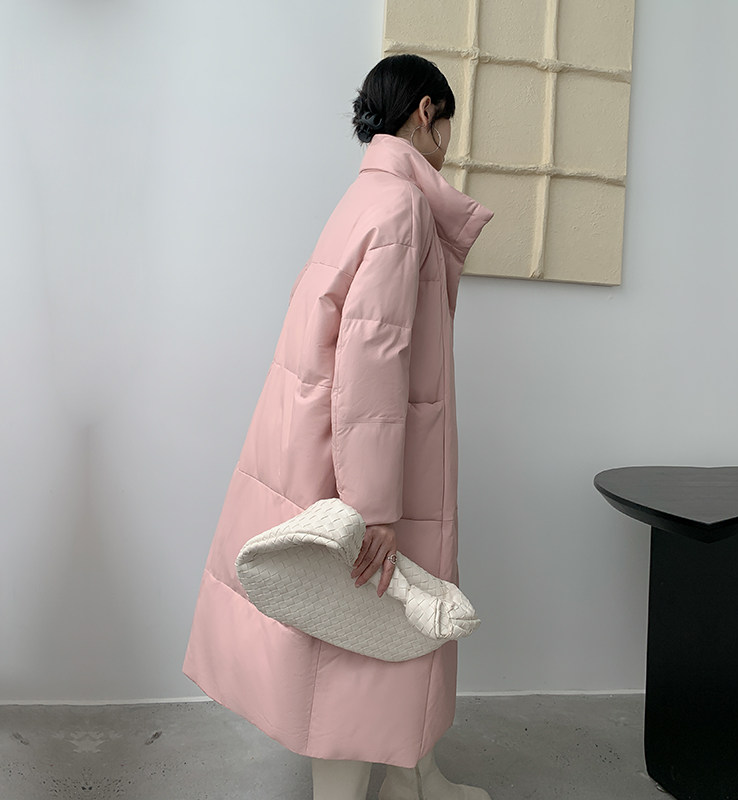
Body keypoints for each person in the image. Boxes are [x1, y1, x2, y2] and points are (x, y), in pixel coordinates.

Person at [182, 54, 493, 800]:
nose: (450, 138)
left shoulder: (367, 196)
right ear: (427, 111)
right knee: (362, 629)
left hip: (338, 447)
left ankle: (415, 777)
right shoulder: (402, 207)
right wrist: (372, 504)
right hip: (365, 461)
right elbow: (371, 361)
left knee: (389, 624)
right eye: (448, 120)